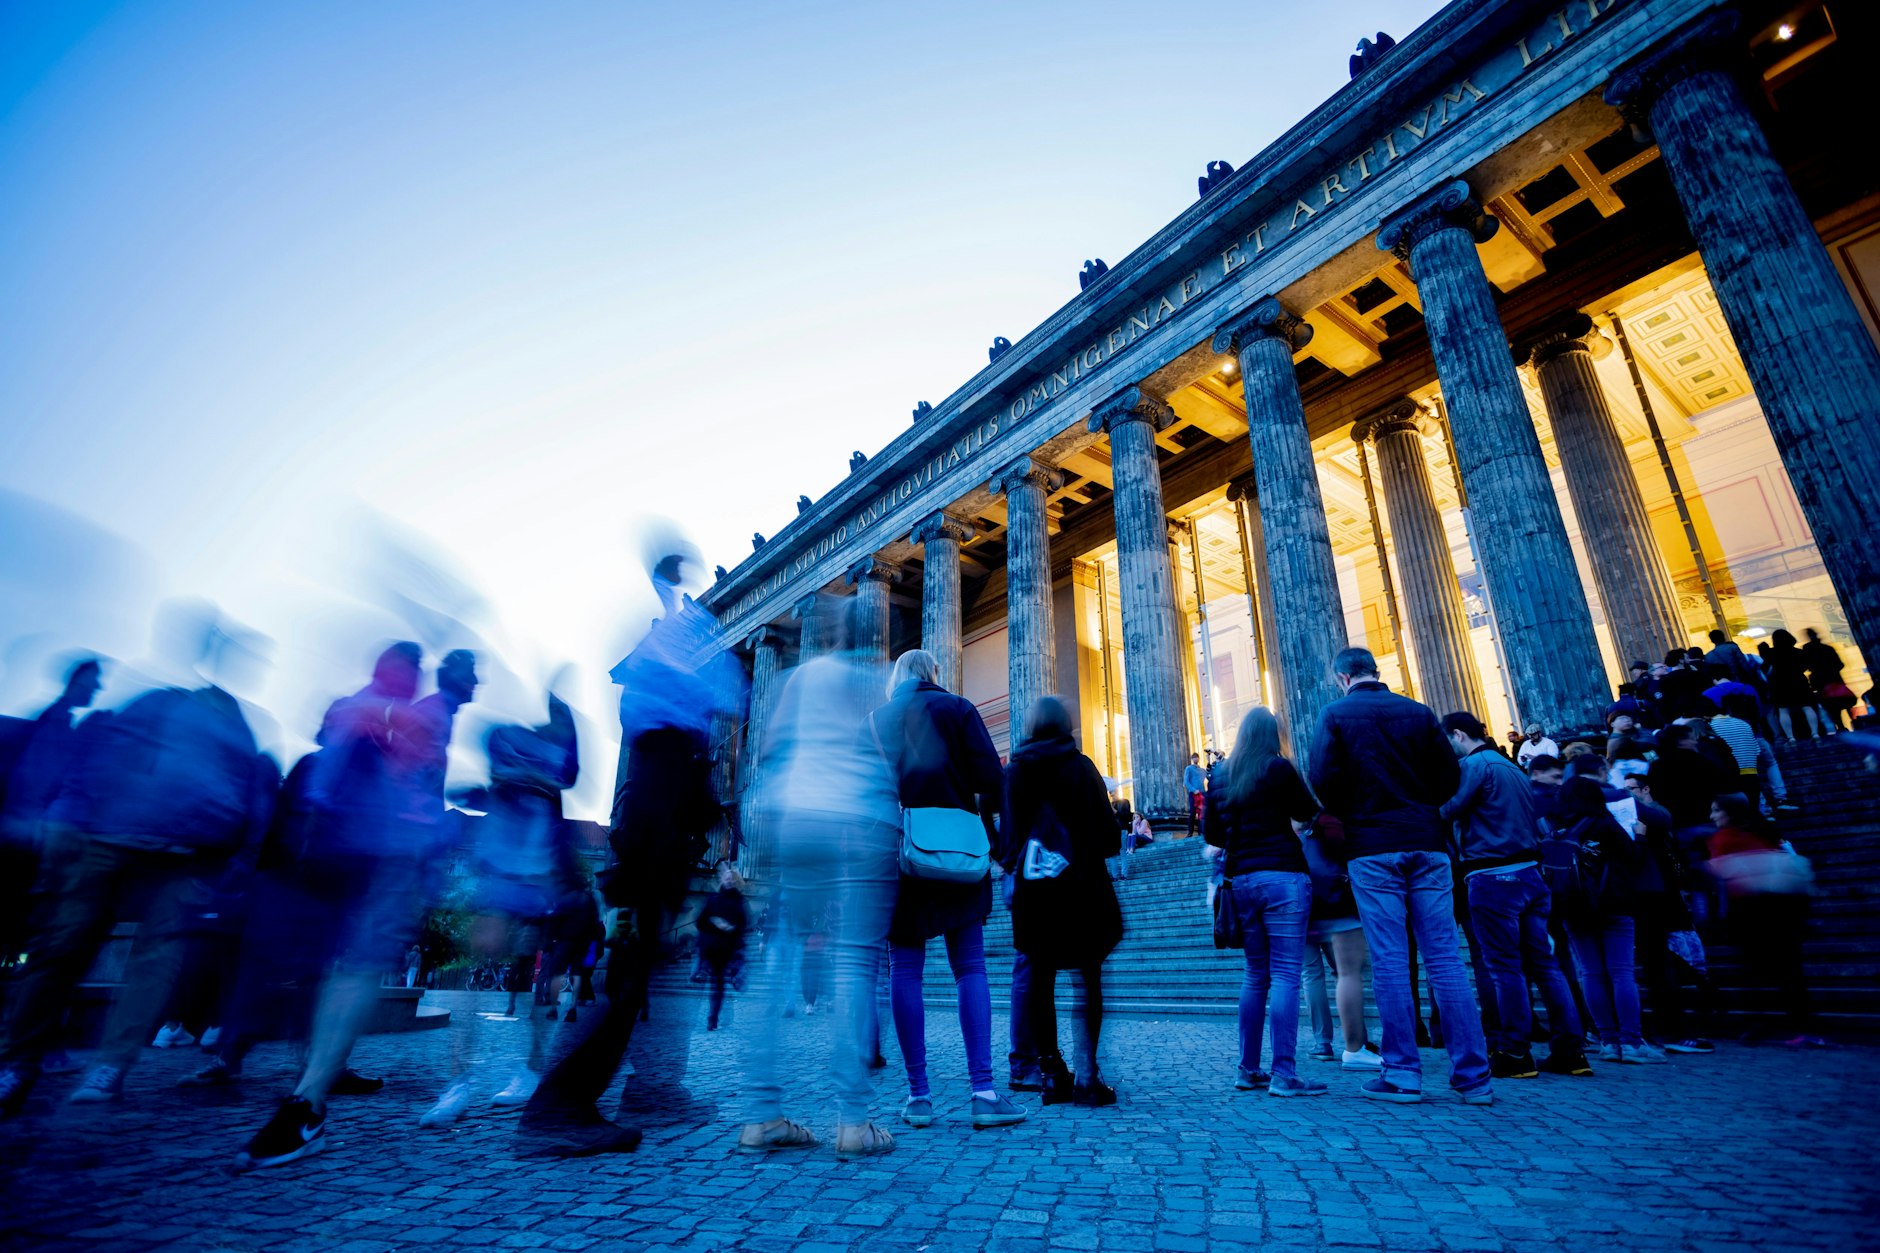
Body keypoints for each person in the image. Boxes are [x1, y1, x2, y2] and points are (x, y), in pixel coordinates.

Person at [1, 622, 277, 1117]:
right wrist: (68, 819)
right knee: (63, 948)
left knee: (148, 957)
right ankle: (19, 1060)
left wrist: (236, 858)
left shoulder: (236, 721)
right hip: (109, 838)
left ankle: (109, 1064)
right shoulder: (158, 701)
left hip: (181, 853)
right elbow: (97, 758)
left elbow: (251, 795)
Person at [524, 542, 741, 1159]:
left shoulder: (660, 700)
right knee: (631, 976)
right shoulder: (659, 697)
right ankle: (558, 1107)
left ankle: (650, 1088)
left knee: (643, 971)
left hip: (652, 846)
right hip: (650, 848)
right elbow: (703, 718)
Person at [737, 594, 897, 1159]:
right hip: (856, 822)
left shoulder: (799, 679)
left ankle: (761, 1115)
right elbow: (891, 752)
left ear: (828, 634)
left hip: (794, 818)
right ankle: (853, 1122)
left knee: (778, 957)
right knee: (854, 960)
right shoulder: (875, 680)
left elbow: (772, 748)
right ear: (875, 636)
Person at [1308, 647, 1490, 1105]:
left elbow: (1322, 780)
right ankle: (1474, 1077)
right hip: (1427, 842)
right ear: (1374, 671)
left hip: (1372, 846)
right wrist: (1420, 805)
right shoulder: (1419, 711)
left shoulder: (1335, 713)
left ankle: (1404, 1073)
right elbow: (1450, 776)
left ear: (1343, 676)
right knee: (1446, 960)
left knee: (1390, 960)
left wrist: (1358, 811)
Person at [870, 649, 1023, 1131]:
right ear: (934, 674)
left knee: (905, 970)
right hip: (958, 853)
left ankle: (919, 1097)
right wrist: (1004, 847)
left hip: (898, 854)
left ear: (898, 679)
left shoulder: (876, 721)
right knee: (970, 967)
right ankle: (983, 1092)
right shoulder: (958, 708)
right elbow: (991, 781)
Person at [421, 689, 584, 1128]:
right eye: (558, 723)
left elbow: (565, 780)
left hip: (542, 880)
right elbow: (490, 772)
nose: (561, 734)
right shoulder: (508, 737)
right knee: (477, 971)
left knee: (543, 981)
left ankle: (530, 1070)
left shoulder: (557, 764)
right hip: (501, 874)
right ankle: (458, 1082)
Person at [1439, 712, 1591, 1078]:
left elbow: (1446, 810)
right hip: (1529, 874)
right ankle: (1572, 1052)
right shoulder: (1510, 767)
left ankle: (1514, 1052)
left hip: (1493, 873)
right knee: (1545, 965)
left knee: (1505, 968)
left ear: (1458, 734)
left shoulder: (1476, 765)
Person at [1001, 696, 1123, 1107]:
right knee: (1088, 978)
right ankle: (1088, 1076)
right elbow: (1109, 836)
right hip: (1083, 888)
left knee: (1040, 979)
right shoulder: (1082, 767)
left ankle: (1052, 1074)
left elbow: (1009, 842)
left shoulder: (1016, 772)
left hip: (1036, 894)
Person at [1204, 707, 1326, 1097]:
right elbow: (1307, 812)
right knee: (1288, 974)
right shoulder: (1278, 768)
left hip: (1241, 880)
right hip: (1283, 876)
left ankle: (1247, 1068)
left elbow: (1214, 836)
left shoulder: (1221, 776)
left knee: (1256, 975)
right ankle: (1284, 1074)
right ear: (1273, 735)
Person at [1548, 777, 1664, 1064]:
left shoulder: (1557, 827)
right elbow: (1633, 858)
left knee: (1590, 972)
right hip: (1613, 903)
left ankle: (1607, 1040)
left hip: (1573, 907)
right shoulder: (1604, 822)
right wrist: (1640, 835)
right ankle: (1632, 1041)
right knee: (1622, 972)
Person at [1611, 762, 1716, 1055]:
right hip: (1647, 896)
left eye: (1630, 790)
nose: (1625, 796)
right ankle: (1666, 1027)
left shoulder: (1654, 817)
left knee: (1663, 962)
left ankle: (1672, 1025)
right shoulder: (1631, 820)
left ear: (1645, 790)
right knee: (1655, 964)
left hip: (1661, 895)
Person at [1706, 794, 1820, 1046]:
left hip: (1750, 912)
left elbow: (1724, 876)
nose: (1712, 816)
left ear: (1729, 813)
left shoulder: (1723, 838)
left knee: (1751, 972)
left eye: (1716, 810)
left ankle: (1757, 1025)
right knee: (1790, 971)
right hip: (1785, 911)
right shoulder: (1765, 831)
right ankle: (1805, 1027)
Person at [696, 862, 748, 1032]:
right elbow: (700, 922)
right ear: (722, 880)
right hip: (712, 947)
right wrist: (715, 921)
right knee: (716, 983)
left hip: (727, 949)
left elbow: (743, 926)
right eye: (727, 878)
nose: (729, 881)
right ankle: (700, 967)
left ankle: (713, 1018)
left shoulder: (739, 901)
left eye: (732, 879)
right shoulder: (713, 899)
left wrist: (731, 928)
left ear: (736, 882)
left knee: (717, 985)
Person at [1761, 629, 1819, 742]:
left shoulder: (1771, 653)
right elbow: (1805, 667)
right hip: (1799, 682)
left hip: (1780, 684)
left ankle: (1790, 736)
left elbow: (1764, 669)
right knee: (1807, 707)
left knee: (1783, 710)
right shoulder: (1798, 652)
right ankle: (1815, 733)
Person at [1801, 628, 1853, 731]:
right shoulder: (1828, 648)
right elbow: (1840, 664)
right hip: (1834, 679)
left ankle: (1839, 725)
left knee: (1830, 706)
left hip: (1820, 682)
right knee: (1844, 702)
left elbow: (1806, 665)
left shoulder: (1807, 649)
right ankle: (1853, 721)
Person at [1183, 753, 1206, 838]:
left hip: (1202, 794)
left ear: (1199, 758)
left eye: (1197, 757)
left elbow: (1210, 776)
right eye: (1194, 757)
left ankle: (1201, 832)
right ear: (1192, 759)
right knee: (1193, 812)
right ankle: (1190, 832)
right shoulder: (1188, 768)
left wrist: (1208, 759)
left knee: (1202, 813)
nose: (1196, 759)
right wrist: (1194, 790)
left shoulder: (1203, 770)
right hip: (1193, 793)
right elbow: (1186, 782)